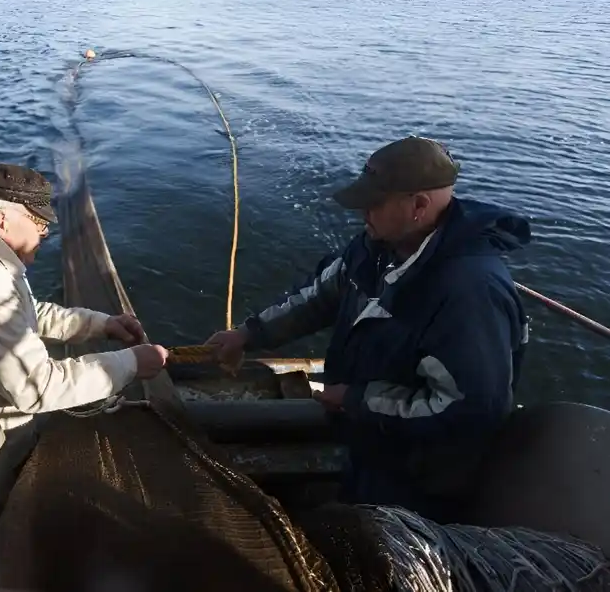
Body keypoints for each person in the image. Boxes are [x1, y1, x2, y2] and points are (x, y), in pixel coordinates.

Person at [206, 136, 531, 521]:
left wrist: (356, 399)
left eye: (374, 203)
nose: (363, 213)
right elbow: (319, 297)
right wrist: (248, 334)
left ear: (419, 206)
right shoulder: (375, 246)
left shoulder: (470, 295)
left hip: (420, 479)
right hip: (369, 441)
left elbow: (469, 410)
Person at [0, 163, 169, 478]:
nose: (45, 231)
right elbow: (36, 388)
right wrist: (131, 364)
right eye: (38, 221)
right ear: (2, 222)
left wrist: (100, 324)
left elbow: (27, 313)